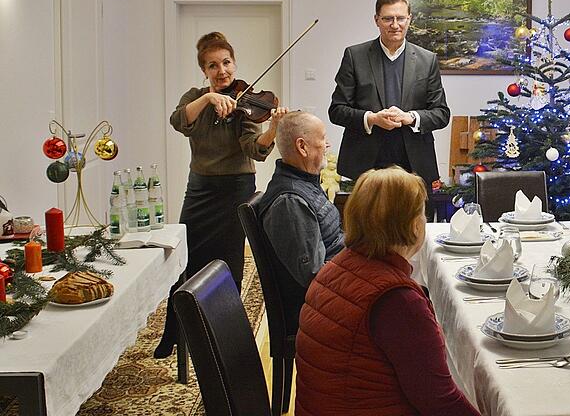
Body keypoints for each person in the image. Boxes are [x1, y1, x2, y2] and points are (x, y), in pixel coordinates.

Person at [295, 167, 480, 416]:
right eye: (422, 214)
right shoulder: (397, 301)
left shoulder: (335, 268)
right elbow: (439, 402)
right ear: (415, 225)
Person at [154, 31, 288, 358]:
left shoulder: (245, 103)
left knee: (228, 263)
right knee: (184, 263)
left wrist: (273, 128)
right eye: (213, 65)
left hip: (235, 190)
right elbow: (177, 120)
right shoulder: (194, 98)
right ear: (204, 71)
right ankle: (174, 332)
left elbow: (253, 150)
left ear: (234, 62)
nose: (222, 70)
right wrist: (209, 99)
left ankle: (224, 335)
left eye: (226, 62)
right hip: (200, 189)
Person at [328, 0, 450, 203]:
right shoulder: (355, 56)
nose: (395, 25)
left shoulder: (427, 60)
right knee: (367, 231)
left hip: (414, 165)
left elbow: (441, 113)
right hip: (365, 165)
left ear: (409, 19)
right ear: (376, 20)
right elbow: (337, 110)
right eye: (387, 18)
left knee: (412, 232)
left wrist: (410, 117)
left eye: (400, 18)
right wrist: (372, 119)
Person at [258, 111, 344, 333]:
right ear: (302, 147)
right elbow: (314, 276)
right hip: (316, 310)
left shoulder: (305, 182)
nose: (327, 144)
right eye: (323, 139)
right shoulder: (290, 201)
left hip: (335, 285)